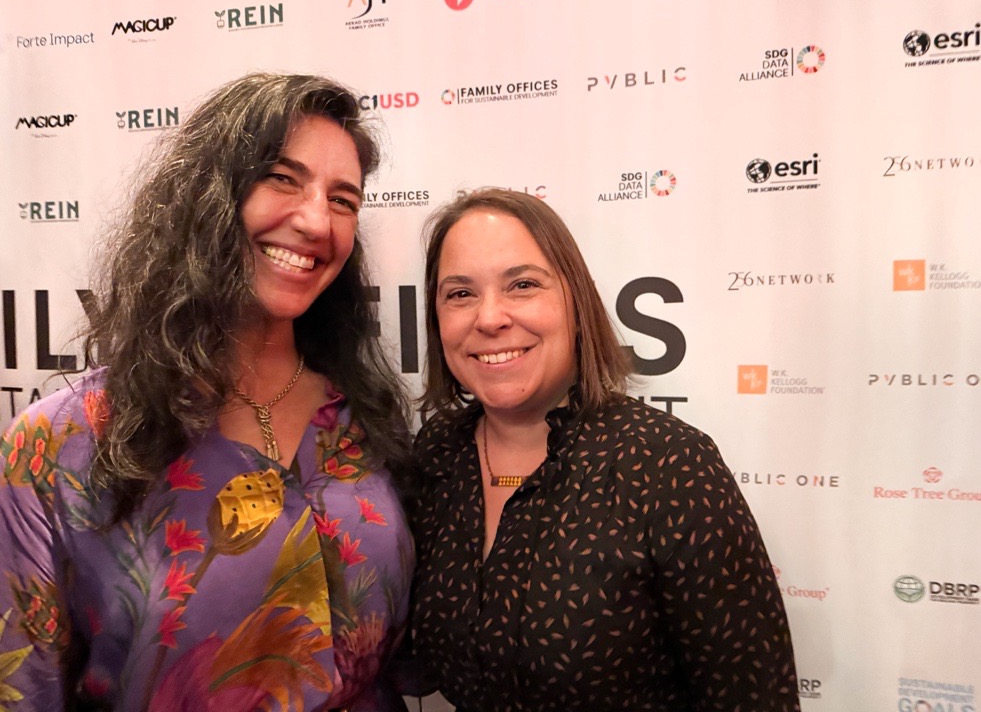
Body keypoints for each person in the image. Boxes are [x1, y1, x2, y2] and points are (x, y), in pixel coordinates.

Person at [0, 73, 414, 711]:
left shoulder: (365, 421)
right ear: (208, 196)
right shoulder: (57, 445)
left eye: (343, 200)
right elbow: (26, 691)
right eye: (282, 178)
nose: (316, 221)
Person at [405, 188, 800, 711]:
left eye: (522, 285)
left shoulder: (669, 465)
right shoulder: (437, 454)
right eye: (460, 293)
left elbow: (755, 698)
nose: (490, 317)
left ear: (576, 302)